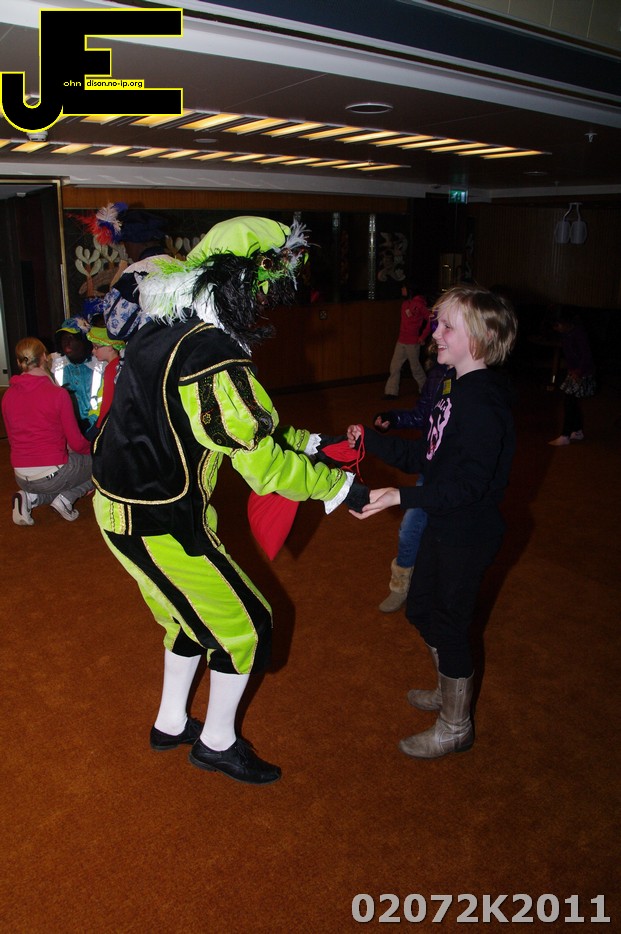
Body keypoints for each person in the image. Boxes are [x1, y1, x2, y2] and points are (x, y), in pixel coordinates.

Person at [91, 216, 365, 786]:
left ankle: (170, 722)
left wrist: (312, 443)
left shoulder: (163, 325)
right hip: (161, 520)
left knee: (188, 618)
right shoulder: (212, 351)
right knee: (249, 625)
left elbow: (232, 426)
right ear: (240, 284)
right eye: (262, 291)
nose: (265, 305)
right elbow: (262, 466)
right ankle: (217, 743)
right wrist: (338, 487)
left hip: (124, 510)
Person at [348, 284, 517, 760]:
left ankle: (456, 726)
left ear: (479, 339)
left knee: (449, 624)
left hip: (468, 533)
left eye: (447, 326)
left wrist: (399, 495)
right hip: (445, 524)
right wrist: (371, 443)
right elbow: (428, 455)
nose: (434, 333)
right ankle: (449, 690)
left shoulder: (483, 404)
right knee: (421, 609)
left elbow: (468, 488)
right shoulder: (453, 388)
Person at [371, 359, 449, 612]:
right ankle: (400, 585)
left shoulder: (478, 385)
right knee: (410, 529)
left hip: (456, 477)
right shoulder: (438, 374)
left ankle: (442, 590)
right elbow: (421, 415)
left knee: (446, 538)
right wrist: (392, 418)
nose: (437, 340)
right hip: (431, 471)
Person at [2, 337, 94, 525]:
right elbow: (77, 443)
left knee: (57, 475)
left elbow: (13, 440)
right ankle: (66, 498)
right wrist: (93, 451)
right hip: (53, 475)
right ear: (44, 356)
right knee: (103, 463)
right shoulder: (58, 394)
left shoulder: (8, 395)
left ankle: (30, 497)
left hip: (21, 476)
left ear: (19, 361)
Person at [548, 308, 596, 446]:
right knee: (572, 403)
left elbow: (586, 356)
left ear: (566, 322)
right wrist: (571, 370)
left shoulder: (579, 334)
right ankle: (577, 431)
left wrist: (578, 372)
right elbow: (570, 355)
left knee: (569, 403)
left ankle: (565, 435)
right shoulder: (566, 335)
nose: (557, 328)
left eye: (558, 325)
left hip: (582, 373)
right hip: (574, 372)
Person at [50, 318, 106, 434]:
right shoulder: (54, 366)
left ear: (83, 340)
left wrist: (90, 424)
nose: (66, 342)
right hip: (66, 431)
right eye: (63, 338)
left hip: (96, 429)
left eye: (71, 338)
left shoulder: (101, 364)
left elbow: (105, 402)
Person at [383, 284, 431, 398]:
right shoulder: (404, 304)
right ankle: (391, 392)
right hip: (401, 340)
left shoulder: (419, 304)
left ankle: (425, 390)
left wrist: (422, 336)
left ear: (409, 290)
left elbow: (431, 319)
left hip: (412, 342)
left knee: (415, 368)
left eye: (404, 288)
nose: (402, 290)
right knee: (395, 366)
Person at [84, 325, 125, 441]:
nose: (93, 351)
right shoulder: (119, 364)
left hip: (108, 424)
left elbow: (108, 402)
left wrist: (99, 427)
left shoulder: (112, 368)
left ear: (110, 347)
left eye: (96, 347)